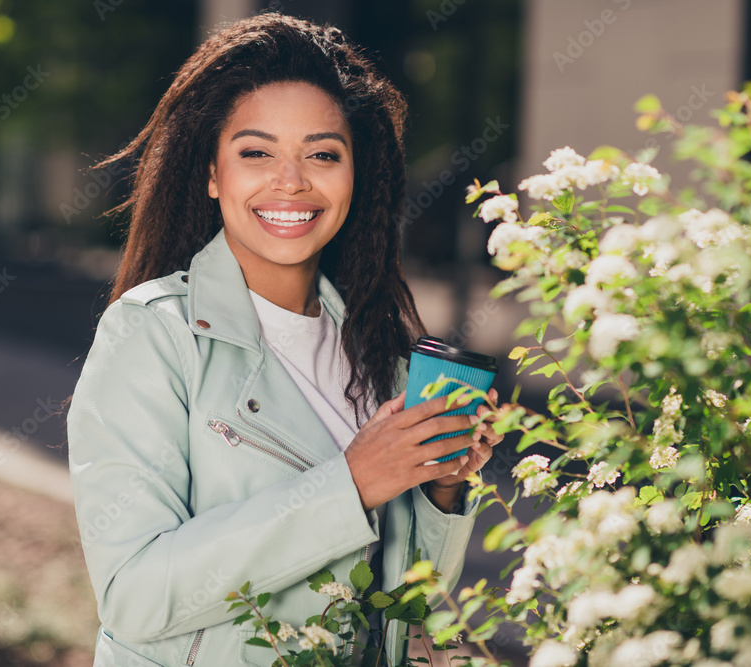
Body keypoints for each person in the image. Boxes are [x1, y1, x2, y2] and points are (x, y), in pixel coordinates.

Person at [66, 12, 503, 666]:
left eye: (323, 153)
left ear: (355, 175)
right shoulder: (153, 334)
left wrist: (441, 489)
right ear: (213, 174)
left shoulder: (373, 350)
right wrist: (350, 483)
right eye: (256, 152)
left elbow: (404, 606)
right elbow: (133, 593)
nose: (291, 181)